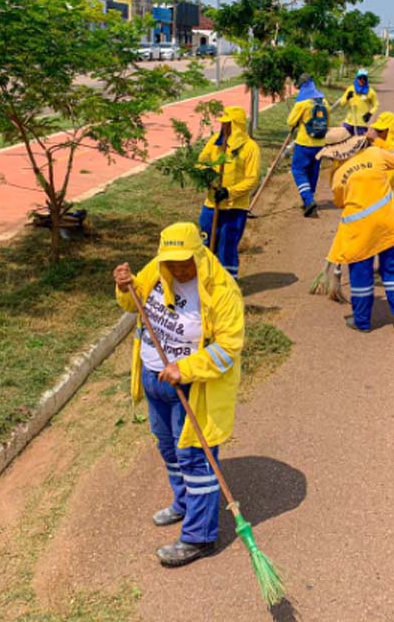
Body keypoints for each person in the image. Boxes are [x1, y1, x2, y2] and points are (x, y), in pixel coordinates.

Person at [113, 222, 245, 567]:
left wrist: (184, 369)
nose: (177, 268)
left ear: (198, 255)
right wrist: (124, 286)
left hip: (192, 387)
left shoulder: (221, 290)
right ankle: (183, 502)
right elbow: (134, 303)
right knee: (168, 447)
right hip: (155, 380)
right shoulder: (157, 271)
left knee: (196, 459)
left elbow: (229, 347)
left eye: (184, 261)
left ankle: (199, 537)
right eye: (170, 262)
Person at [317, 127, 394, 334]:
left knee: (361, 275)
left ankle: (362, 321)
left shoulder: (338, 174)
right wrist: (377, 141)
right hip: (388, 225)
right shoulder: (374, 153)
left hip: (359, 231)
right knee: (393, 271)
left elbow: (339, 201)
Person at [197, 106, 261, 278]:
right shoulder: (214, 142)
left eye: (228, 124)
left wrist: (229, 192)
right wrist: (208, 179)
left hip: (235, 209)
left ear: (236, 126)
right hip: (211, 205)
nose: (224, 127)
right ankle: (204, 280)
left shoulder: (250, 148)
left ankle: (229, 285)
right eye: (223, 124)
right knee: (205, 244)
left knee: (227, 247)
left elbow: (252, 179)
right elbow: (202, 162)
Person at [286, 73, 328, 218]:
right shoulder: (324, 101)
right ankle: (310, 198)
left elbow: (290, 122)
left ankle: (308, 200)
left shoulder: (302, 103)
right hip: (321, 143)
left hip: (305, 143)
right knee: (313, 171)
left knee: (298, 170)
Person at [369, 111, 394, 207]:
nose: (376, 133)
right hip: (377, 202)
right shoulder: (379, 146)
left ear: (390, 131)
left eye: (380, 131)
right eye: (376, 130)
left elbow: (384, 180)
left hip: (390, 205)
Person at [334, 68, 379, 136]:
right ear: (357, 78)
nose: (362, 80)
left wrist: (369, 114)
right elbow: (342, 104)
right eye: (360, 78)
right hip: (349, 121)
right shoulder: (351, 89)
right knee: (343, 140)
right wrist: (347, 97)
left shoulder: (370, 92)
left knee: (360, 143)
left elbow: (376, 105)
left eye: (364, 78)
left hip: (361, 123)